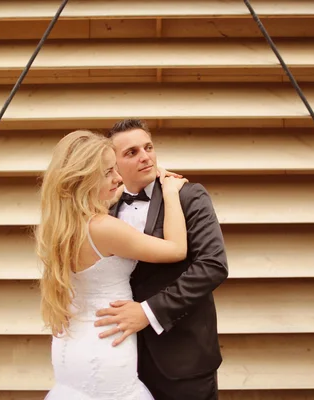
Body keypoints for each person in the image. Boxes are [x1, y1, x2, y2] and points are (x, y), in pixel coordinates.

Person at [36, 129, 190, 400]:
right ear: (84, 179)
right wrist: (171, 192)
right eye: (108, 172)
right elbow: (177, 249)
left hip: (69, 348)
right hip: (106, 346)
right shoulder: (104, 228)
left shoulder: (58, 227)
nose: (118, 178)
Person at [94, 119, 229, 400]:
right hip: (122, 357)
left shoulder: (189, 195)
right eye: (131, 152)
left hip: (183, 357)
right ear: (113, 163)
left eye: (148, 147)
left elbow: (212, 266)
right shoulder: (103, 207)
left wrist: (148, 312)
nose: (145, 156)